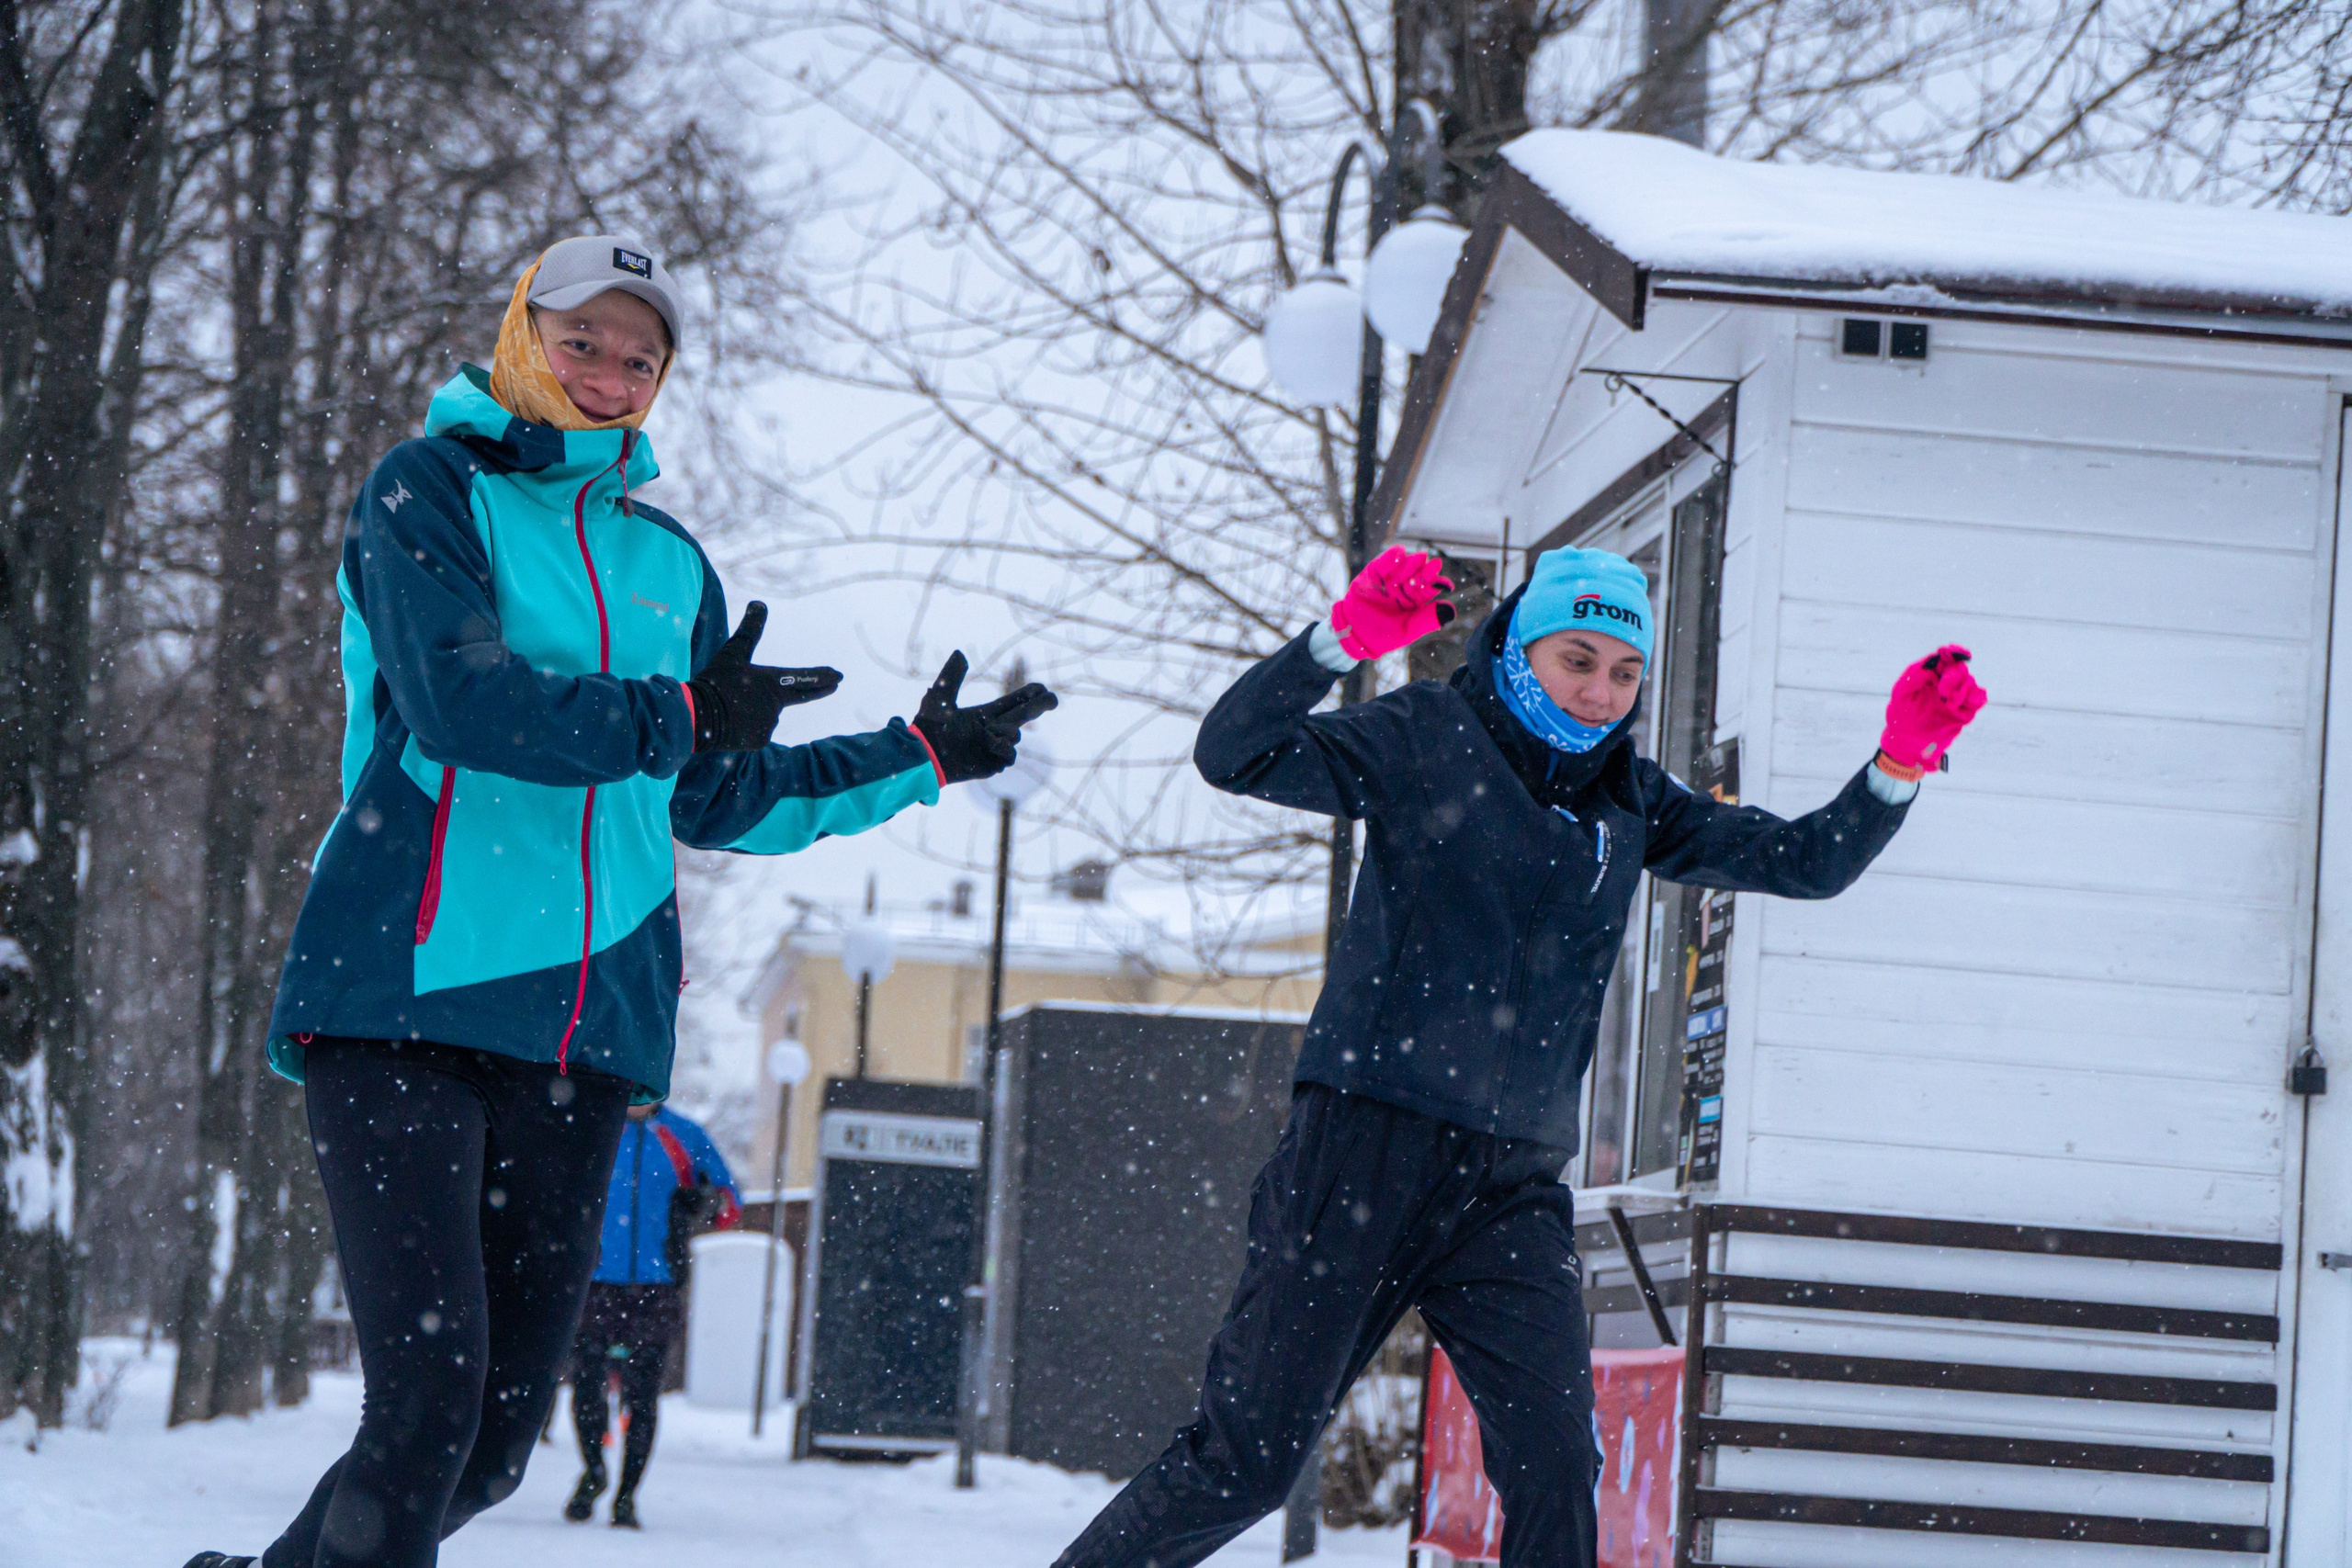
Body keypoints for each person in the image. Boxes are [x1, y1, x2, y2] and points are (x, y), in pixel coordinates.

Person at [180, 235, 1056, 1568]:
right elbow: (459, 701)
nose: (609, 371)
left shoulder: (672, 570)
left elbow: (713, 793)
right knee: (421, 1407)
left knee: (489, 1439)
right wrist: (673, 714)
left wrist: (920, 755)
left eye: (639, 356)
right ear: (526, 330)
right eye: (584, 337)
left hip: (586, 1041)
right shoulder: (428, 491)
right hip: (408, 995)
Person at [1050, 545, 1984, 1568]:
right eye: (1577, 660)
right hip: (1362, 1151)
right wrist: (1337, 644)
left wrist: (1896, 766)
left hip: (1507, 1186)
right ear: (1520, 652)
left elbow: (1805, 864)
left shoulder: (1630, 800)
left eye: (1624, 673)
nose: (1600, 691)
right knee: (1248, 1462)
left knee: (1552, 1465)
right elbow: (1237, 754)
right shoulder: (1427, 736)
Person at [564, 1100, 740, 1529]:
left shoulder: (684, 1135)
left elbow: (729, 1204)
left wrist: (705, 1201)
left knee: (643, 1396)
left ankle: (627, 1495)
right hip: (595, 1281)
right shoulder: (594, 1124)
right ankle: (595, 1471)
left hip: (656, 1286)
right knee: (586, 1386)